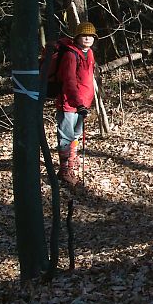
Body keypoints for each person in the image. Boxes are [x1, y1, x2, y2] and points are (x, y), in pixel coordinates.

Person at [54, 21, 96, 186]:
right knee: (66, 137)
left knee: (76, 135)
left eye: (91, 36)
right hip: (69, 103)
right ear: (77, 37)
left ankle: (72, 161)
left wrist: (85, 103)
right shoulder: (71, 55)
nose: (88, 38)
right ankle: (65, 170)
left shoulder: (89, 53)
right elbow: (69, 81)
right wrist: (78, 103)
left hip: (82, 104)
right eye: (84, 35)